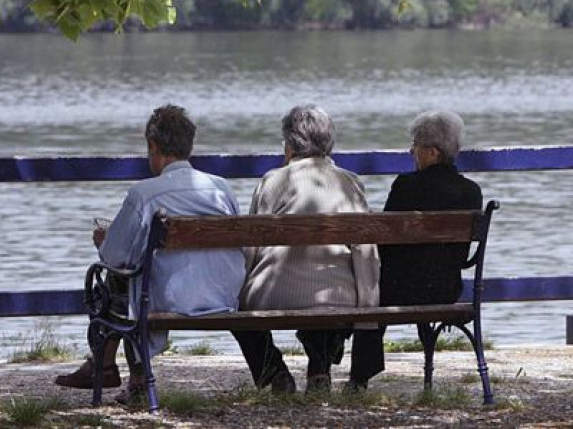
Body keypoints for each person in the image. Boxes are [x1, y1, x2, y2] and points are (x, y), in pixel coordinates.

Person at [55, 104, 245, 403]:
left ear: (153, 146)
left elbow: (115, 257)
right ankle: (106, 368)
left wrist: (102, 240)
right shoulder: (222, 189)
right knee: (132, 277)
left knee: (122, 280)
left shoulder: (145, 193)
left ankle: (116, 371)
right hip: (224, 294)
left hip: (168, 300)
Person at [233, 104, 382, 394]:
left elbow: (251, 247)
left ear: (290, 145)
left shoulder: (272, 181)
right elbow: (365, 251)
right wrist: (368, 306)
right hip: (339, 296)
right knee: (330, 287)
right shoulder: (349, 183)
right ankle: (319, 368)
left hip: (272, 295)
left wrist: (237, 293)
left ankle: (275, 372)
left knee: (239, 312)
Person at [380, 111, 483, 305]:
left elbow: (384, 242)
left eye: (416, 144)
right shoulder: (471, 191)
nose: (412, 151)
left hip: (398, 288)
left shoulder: (406, 186)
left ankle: (370, 336)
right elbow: (462, 257)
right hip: (447, 290)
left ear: (433, 152)